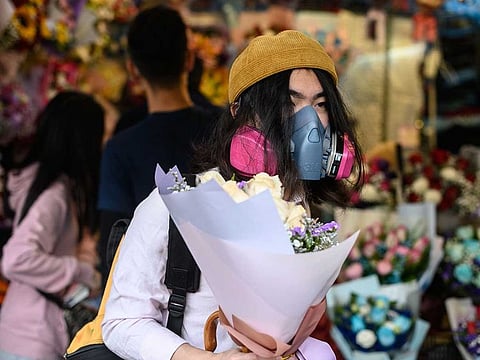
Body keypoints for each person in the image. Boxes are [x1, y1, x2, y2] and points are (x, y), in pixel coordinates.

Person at [102, 28, 364, 359]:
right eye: (288, 102)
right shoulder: (175, 205)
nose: (309, 120)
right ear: (241, 112)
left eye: (320, 103)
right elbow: (121, 322)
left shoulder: (301, 207)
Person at [96, 4, 216, 286]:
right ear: (189, 60)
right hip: (218, 294)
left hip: (149, 294)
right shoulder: (224, 128)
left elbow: (112, 244)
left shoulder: (121, 148)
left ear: (133, 70)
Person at [0, 91, 104, 359]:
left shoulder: (46, 185)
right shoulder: (54, 196)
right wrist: (80, 271)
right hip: (32, 337)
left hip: (23, 330)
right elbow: (16, 258)